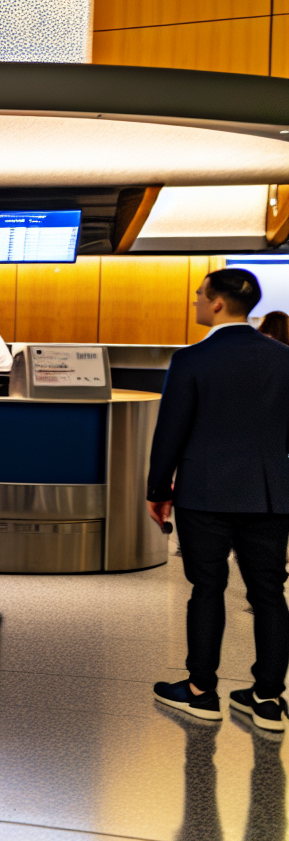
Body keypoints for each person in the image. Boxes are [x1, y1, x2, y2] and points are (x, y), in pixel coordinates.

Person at [149, 268, 289, 730]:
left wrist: (158, 490)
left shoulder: (191, 360)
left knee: (206, 588)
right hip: (269, 494)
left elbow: (171, 431)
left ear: (215, 304)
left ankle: (200, 691)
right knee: (269, 593)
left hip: (204, 492)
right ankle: (268, 699)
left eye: (198, 295)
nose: (194, 302)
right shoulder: (283, 358)